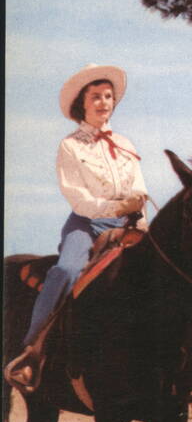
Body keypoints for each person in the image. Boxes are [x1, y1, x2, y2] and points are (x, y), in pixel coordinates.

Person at [5, 63, 148, 393]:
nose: (102, 102)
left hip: (128, 224)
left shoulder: (126, 144)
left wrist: (139, 218)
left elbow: (139, 189)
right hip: (87, 224)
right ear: (82, 104)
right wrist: (117, 208)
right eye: (95, 96)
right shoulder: (70, 146)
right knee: (67, 271)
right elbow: (78, 199)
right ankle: (32, 352)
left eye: (108, 96)